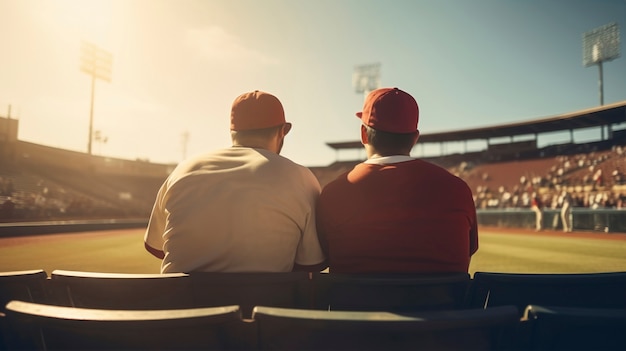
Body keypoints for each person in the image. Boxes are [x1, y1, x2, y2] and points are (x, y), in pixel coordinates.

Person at [144, 90, 327, 273]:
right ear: (282, 132)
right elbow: (311, 264)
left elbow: (156, 248)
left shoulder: (183, 169)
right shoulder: (301, 177)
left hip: (179, 301)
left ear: (232, 131)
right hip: (263, 301)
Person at [315, 87, 478, 273]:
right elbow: (466, 255)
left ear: (363, 134)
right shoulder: (458, 189)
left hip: (357, 302)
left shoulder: (335, 192)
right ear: (415, 138)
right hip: (442, 302)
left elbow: (320, 260)